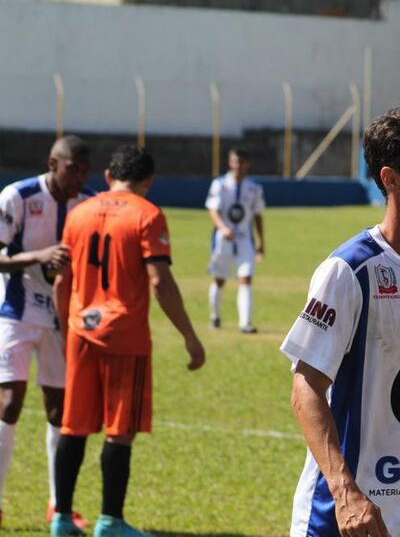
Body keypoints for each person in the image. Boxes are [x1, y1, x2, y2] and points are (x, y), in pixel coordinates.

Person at [281, 104, 400, 536]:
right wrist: (345, 493)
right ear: (391, 178)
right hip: (351, 514)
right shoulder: (349, 270)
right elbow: (306, 387)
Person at [50, 145, 206, 537]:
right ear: (147, 181)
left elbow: (60, 282)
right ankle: (110, 521)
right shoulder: (147, 214)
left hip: (80, 331)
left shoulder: (78, 213)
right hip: (125, 335)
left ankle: (62, 518)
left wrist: (66, 328)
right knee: (119, 428)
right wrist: (189, 336)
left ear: (107, 176)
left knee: (73, 426)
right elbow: (159, 281)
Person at [0, 135, 95, 530]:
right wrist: (39, 256)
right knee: (9, 402)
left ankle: (59, 506)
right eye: (73, 168)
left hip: (61, 318)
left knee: (60, 410)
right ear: (53, 163)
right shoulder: (17, 196)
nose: (79, 177)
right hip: (15, 313)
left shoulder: (88, 203)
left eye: (85, 170)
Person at [205, 147, 265, 333]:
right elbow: (213, 211)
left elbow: (257, 216)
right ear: (230, 163)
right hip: (223, 240)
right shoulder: (220, 185)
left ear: (247, 164)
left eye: (241, 162)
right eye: (234, 162)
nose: (238, 166)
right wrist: (223, 228)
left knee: (245, 278)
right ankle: (215, 316)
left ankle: (244, 323)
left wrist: (261, 243)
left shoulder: (254, 188)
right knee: (220, 279)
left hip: (245, 240)